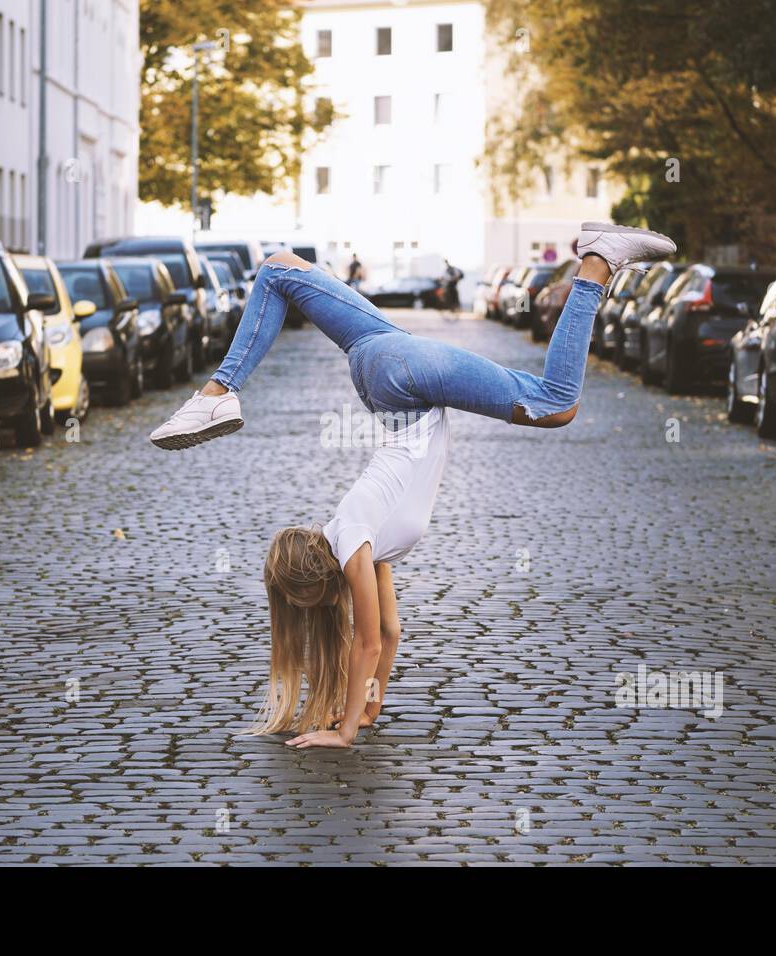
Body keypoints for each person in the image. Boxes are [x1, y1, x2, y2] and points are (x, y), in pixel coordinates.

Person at [150, 222, 676, 748]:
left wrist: (346, 732)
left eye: (308, 606)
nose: (318, 613)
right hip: (379, 360)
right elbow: (390, 632)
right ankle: (218, 390)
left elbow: (368, 644)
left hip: (399, 381)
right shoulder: (360, 539)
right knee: (280, 268)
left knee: (556, 404)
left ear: (317, 586)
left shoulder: (355, 543)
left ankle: (597, 262)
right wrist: (372, 704)